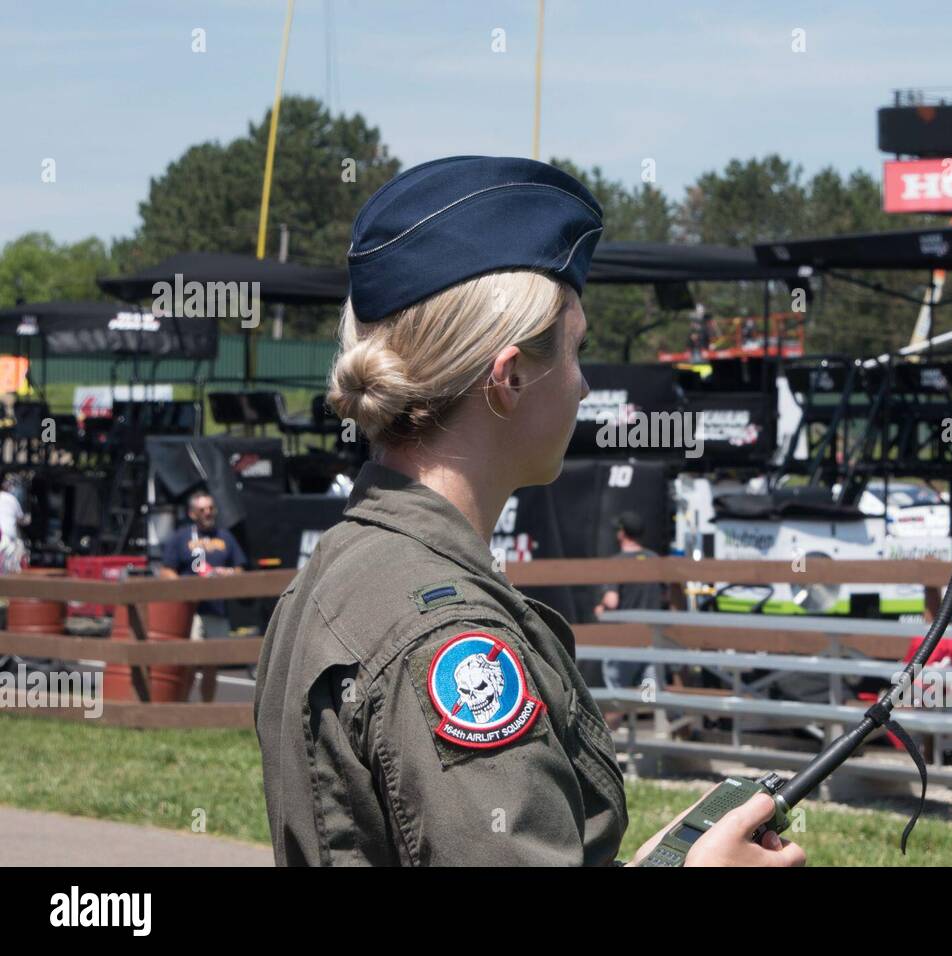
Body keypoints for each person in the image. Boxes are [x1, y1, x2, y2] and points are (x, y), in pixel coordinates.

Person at [253, 156, 804, 867]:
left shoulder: (340, 566)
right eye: (576, 351)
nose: (581, 386)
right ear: (509, 377)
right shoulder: (448, 640)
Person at [159, 490, 247, 702]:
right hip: (191, 610)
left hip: (217, 609)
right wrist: (184, 588)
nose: (208, 513)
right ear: (192, 514)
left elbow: (240, 569)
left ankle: (206, 711)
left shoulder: (225, 537)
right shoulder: (181, 537)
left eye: (210, 509)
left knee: (211, 663)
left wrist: (229, 574)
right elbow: (166, 570)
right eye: (202, 510)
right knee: (189, 660)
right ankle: (182, 707)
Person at [593, 510, 664, 693]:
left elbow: (612, 602)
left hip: (625, 640)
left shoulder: (617, 563)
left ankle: (618, 722)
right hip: (652, 639)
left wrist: (600, 608)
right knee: (650, 694)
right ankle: (663, 720)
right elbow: (667, 596)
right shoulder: (654, 559)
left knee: (616, 696)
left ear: (622, 533)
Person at [0, 475, 30, 574]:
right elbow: (21, 519)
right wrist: (28, 519)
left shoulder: (11, 498)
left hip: (5, 537)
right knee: (5, 570)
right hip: (6, 538)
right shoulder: (11, 499)